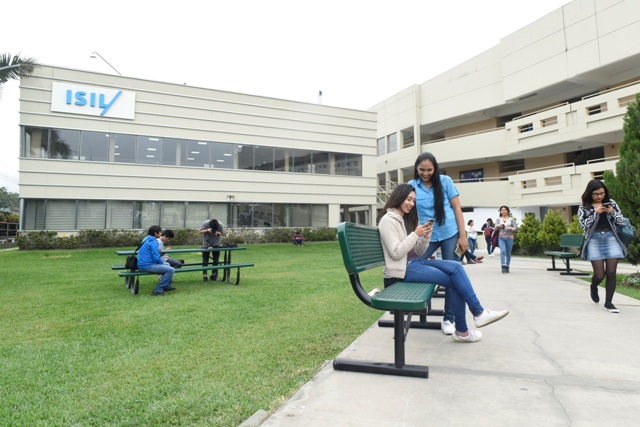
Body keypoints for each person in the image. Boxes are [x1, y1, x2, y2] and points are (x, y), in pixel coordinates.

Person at [377, 183, 509, 342]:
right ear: (399, 197)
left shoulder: (403, 219)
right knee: (455, 282)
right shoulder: (388, 220)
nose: (411, 203)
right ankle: (465, 329)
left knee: (456, 266)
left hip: (414, 264)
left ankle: (477, 315)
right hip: (400, 272)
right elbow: (396, 252)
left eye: (413, 200)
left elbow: (418, 252)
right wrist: (415, 234)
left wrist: (425, 238)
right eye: (408, 199)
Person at [407, 152, 482, 336]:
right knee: (415, 263)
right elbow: (409, 211)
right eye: (422, 170)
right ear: (416, 168)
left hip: (450, 232)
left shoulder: (445, 181)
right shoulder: (412, 185)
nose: (425, 173)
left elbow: (457, 208)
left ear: (435, 169)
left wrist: (463, 236)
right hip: (427, 236)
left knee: (453, 272)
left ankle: (449, 318)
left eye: (429, 170)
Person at [578, 180, 626, 313]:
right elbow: (583, 226)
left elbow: (621, 221)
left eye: (602, 193)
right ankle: (594, 286)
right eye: (596, 194)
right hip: (594, 239)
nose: (600, 196)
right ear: (590, 193)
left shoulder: (612, 203)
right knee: (599, 275)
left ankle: (609, 303)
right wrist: (595, 213)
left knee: (611, 272)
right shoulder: (584, 206)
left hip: (611, 238)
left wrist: (612, 211)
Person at [137, 225, 176, 296]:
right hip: (147, 265)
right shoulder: (153, 241)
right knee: (171, 270)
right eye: (160, 232)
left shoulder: (146, 238)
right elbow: (156, 257)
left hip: (142, 264)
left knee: (168, 265)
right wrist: (162, 263)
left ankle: (167, 286)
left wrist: (163, 264)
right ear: (155, 233)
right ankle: (158, 289)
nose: (161, 233)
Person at [496, 206, 517, 273]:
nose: (503, 211)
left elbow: (515, 228)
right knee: (503, 251)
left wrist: (510, 228)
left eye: (505, 210)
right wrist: (498, 226)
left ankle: (507, 266)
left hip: (510, 238)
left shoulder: (511, 219)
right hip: (501, 238)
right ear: (500, 211)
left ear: (507, 211)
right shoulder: (498, 219)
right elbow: (495, 229)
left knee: (508, 253)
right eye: (502, 210)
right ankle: (503, 266)